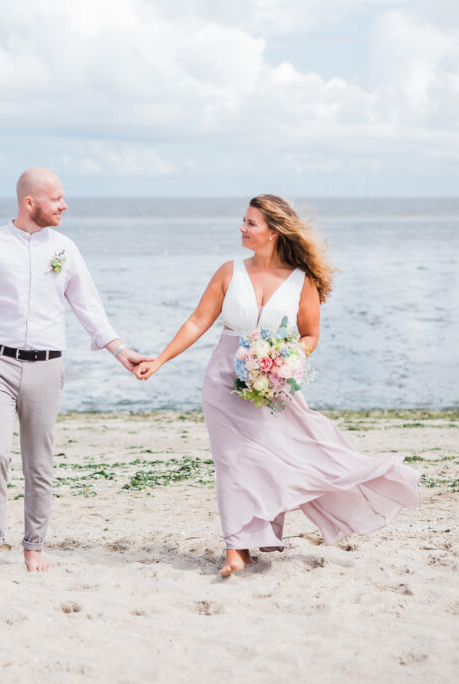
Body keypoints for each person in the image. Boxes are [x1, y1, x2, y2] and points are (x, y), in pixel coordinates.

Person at [135, 194, 420, 577]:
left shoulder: (302, 281)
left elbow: (310, 335)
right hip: (223, 381)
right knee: (231, 462)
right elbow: (197, 322)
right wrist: (159, 360)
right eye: (244, 221)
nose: (242, 228)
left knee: (272, 460)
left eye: (250, 223)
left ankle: (255, 540)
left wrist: (284, 358)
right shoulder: (228, 272)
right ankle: (235, 549)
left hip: (273, 383)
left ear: (273, 231)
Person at [0, 167, 150, 576]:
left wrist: (121, 352)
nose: (64, 205)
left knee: (39, 463)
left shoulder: (65, 249)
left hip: (47, 366)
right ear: (30, 202)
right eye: (56, 199)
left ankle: (34, 546)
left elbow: (89, 309)